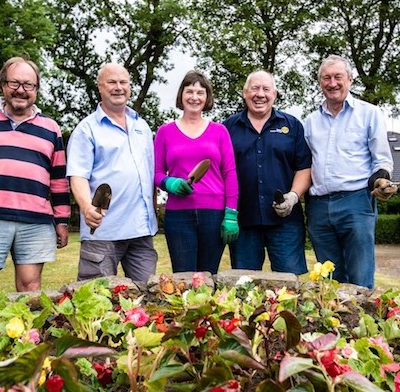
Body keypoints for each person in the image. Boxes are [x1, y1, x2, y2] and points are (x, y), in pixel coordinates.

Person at [304, 55, 397, 289]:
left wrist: (381, 179)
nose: (332, 83)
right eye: (326, 78)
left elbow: (382, 159)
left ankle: (362, 314)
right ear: (320, 82)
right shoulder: (310, 122)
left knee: (360, 277)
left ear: (350, 79)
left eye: (338, 77)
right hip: (318, 206)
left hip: (356, 202)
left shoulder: (370, 113)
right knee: (329, 280)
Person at [67, 63, 158, 283]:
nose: (118, 87)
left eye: (123, 82)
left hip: (141, 232)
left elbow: (149, 174)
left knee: (147, 297)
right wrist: (87, 207)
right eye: (112, 82)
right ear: (100, 87)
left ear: (130, 86)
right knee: (97, 298)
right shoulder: (86, 129)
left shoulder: (142, 127)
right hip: (103, 232)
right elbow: (78, 176)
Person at [224, 70, 311, 274]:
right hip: (243, 221)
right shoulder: (228, 128)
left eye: (266, 89)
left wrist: (293, 197)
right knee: (244, 283)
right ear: (245, 93)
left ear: (275, 94)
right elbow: (221, 172)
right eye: (255, 88)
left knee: (289, 283)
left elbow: (304, 167)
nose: (260, 94)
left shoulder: (292, 126)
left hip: (286, 223)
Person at [154, 70, 238, 274]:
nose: (194, 97)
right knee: (183, 278)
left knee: (208, 277)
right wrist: (169, 183)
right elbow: (156, 172)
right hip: (178, 215)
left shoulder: (219, 131)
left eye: (200, 92)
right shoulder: (165, 132)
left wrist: (231, 213)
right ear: (181, 95)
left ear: (207, 97)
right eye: (189, 91)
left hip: (214, 214)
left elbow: (230, 173)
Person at [0, 57, 70, 292]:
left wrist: (62, 221)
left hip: (35, 221)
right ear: (3, 85)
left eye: (28, 85)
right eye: (14, 83)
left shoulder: (50, 129)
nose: (21, 90)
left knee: (30, 287)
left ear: (36, 89)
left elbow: (59, 181)